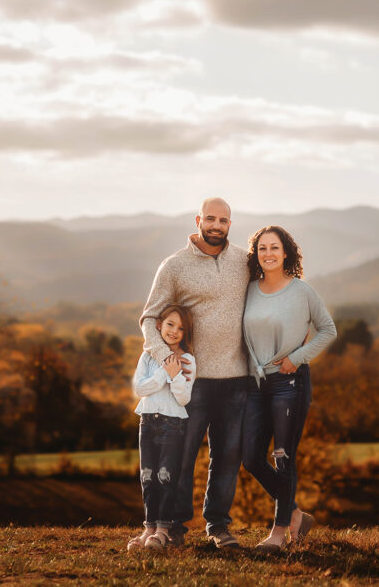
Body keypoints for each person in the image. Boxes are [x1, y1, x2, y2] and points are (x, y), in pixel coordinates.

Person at [139, 197, 251, 548]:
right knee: (183, 457)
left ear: (230, 224)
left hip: (236, 378)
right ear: (199, 220)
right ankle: (173, 527)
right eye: (212, 219)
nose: (217, 225)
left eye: (224, 220)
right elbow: (149, 318)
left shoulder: (243, 262)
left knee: (227, 457)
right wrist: (164, 358)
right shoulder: (174, 266)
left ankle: (218, 526)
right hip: (190, 381)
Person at [241, 225, 336, 552]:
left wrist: (297, 357)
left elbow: (327, 329)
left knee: (283, 456)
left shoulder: (302, 292)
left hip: (289, 383)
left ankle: (279, 533)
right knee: (250, 456)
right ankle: (296, 514)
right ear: (256, 254)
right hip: (257, 384)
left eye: (274, 248)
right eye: (262, 248)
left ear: (286, 253)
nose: (268, 254)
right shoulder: (250, 290)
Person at [127, 304, 196, 551]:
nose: (174, 331)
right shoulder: (147, 356)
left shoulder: (188, 359)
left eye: (181, 328)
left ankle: (163, 530)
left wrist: (175, 375)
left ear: (186, 333)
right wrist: (165, 373)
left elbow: (183, 398)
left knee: (165, 476)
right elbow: (140, 389)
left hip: (172, 424)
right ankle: (148, 528)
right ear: (159, 325)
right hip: (147, 421)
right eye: (170, 324)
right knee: (147, 476)